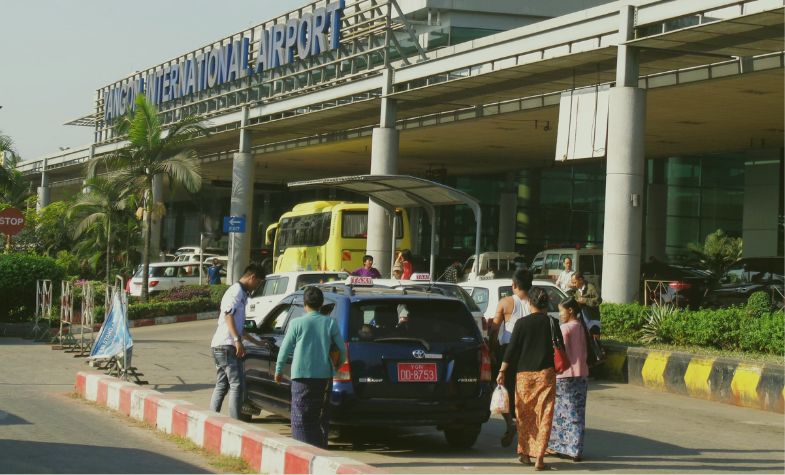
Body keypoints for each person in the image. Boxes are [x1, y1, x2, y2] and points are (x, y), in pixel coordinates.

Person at [497, 287, 563, 470]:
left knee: (524, 415)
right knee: (545, 415)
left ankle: (525, 454)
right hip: (546, 375)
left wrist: (502, 371)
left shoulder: (521, 323)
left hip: (524, 376)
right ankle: (540, 458)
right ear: (545, 304)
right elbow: (560, 348)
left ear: (529, 302)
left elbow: (511, 350)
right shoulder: (552, 323)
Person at [274, 287, 346, 448]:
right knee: (320, 416)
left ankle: (301, 452)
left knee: (300, 416)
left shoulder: (296, 323)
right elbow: (342, 349)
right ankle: (320, 450)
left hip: (301, 376)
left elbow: (284, 350)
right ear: (321, 304)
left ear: (304, 304)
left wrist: (278, 371)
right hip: (324, 377)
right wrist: (337, 365)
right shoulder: (330, 322)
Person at [209, 263, 265, 419]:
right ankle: (234, 422)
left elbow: (240, 328)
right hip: (226, 346)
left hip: (222, 345)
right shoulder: (236, 292)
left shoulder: (242, 293)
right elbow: (228, 316)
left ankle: (212, 417)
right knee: (236, 385)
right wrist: (237, 341)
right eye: (258, 282)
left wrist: (257, 342)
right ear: (252, 277)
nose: (257, 286)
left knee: (222, 384)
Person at [489, 269, 532, 447]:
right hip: (530, 352)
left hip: (509, 352)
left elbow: (494, 329)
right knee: (525, 392)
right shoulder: (536, 303)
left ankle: (510, 423)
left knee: (504, 390)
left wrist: (491, 349)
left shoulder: (506, 303)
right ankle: (526, 429)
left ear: (514, 285)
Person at [547, 298, 589, 462]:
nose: (560, 314)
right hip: (582, 374)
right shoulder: (581, 326)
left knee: (561, 413)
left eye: (561, 310)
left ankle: (561, 446)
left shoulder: (564, 329)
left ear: (570, 310)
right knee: (577, 413)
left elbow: (557, 352)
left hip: (565, 376)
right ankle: (575, 448)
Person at [570, 272, 602, 339]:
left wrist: (585, 300)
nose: (573, 285)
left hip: (593, 321)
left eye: (575, 282)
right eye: (572, 282)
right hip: (584, 321)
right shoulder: (577, 291)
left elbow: (598, 300)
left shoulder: (591, 288)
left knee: (595, 342)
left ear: (581, 280)